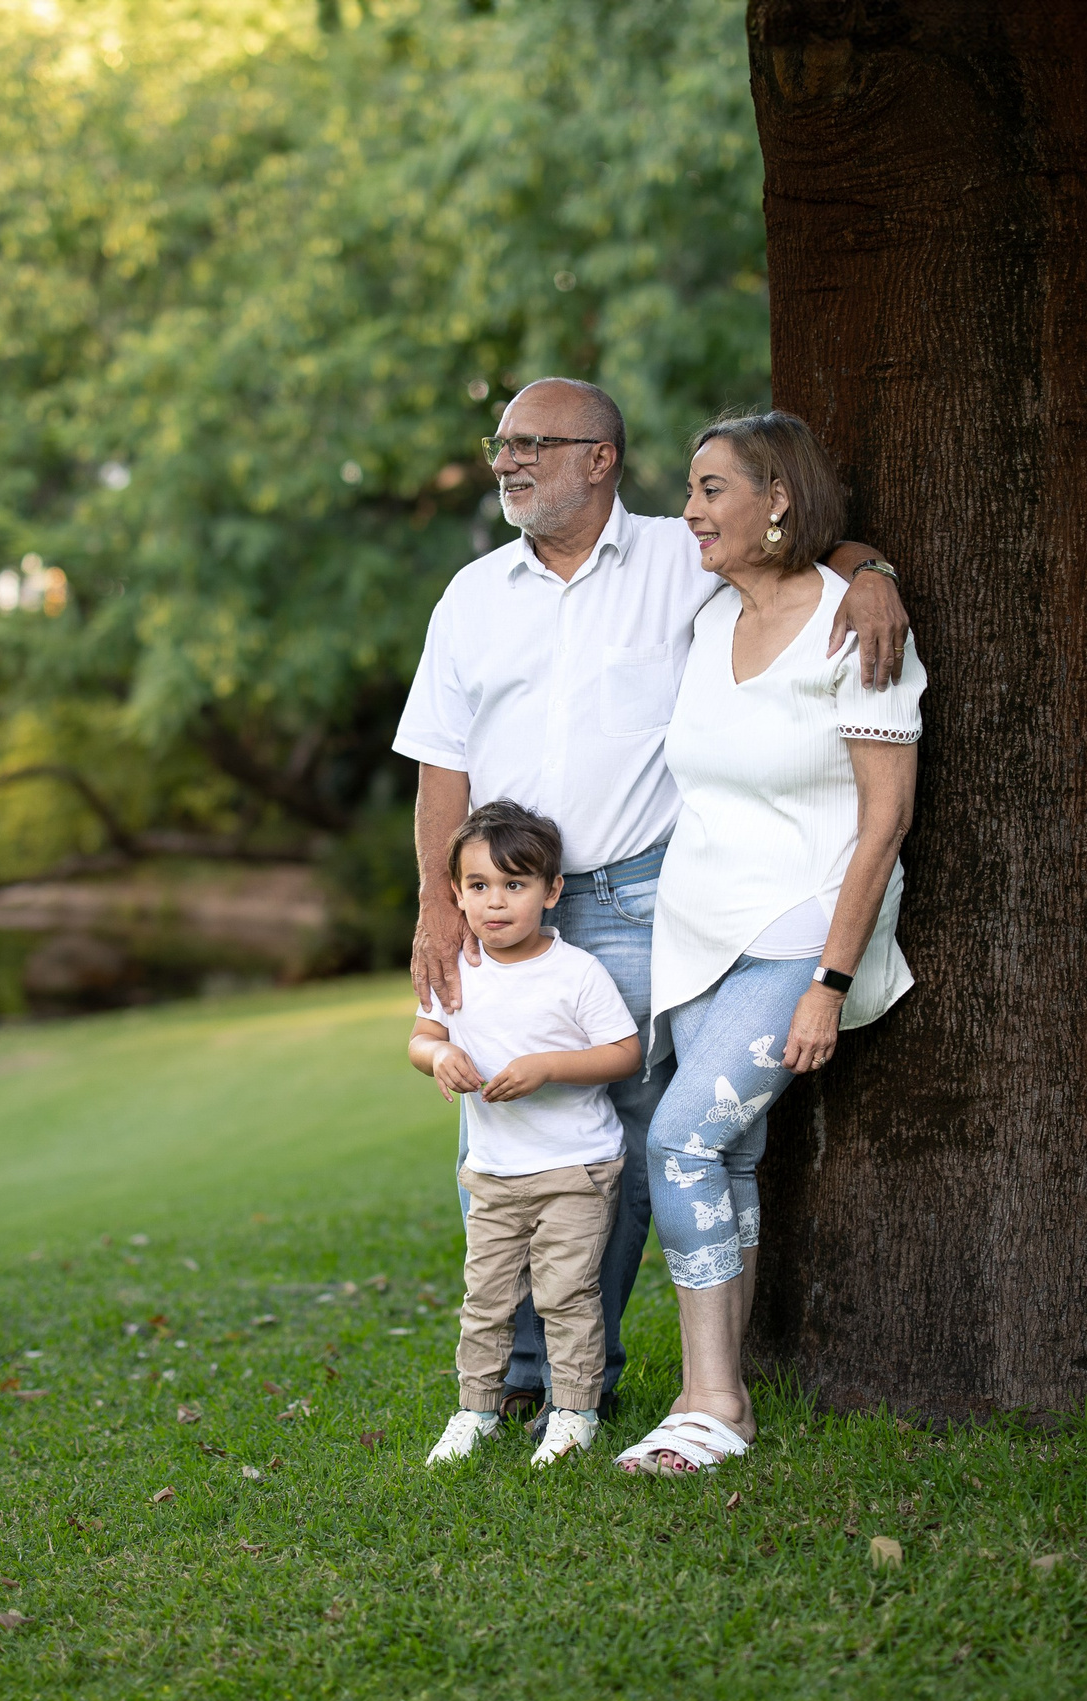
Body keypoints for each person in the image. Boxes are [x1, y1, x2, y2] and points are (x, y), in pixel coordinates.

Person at [393, 378, 911, 1436]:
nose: (507, 460)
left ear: (599, 458)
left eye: (533, 443)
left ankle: (583, 1370)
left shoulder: (687, 558)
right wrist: (437, 910)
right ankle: (519, 1369)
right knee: (494, 1123)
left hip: (641, 900)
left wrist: (875, 574)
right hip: (497, 913)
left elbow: (808, 555)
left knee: (624, 1142)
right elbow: (439, 769)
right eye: (502, 442)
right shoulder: (471, 595)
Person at [612, 409, 925, 1477]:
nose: (688, 510)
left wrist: (829, 981)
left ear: (776, 498)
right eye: (690, 490)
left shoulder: (858, 622)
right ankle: (718, 1386)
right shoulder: (707, 621)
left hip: (801, 930)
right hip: (698, 931)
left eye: (709, 490)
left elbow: (883, 820)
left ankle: (713, 1403)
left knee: (680, 1142)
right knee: (728, 1151)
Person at [410, 802, 642, 1467]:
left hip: (575, 1170)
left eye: (516, 885)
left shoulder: (575, 974)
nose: (496, 902)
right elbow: (423, 1036)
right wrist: (438, 1057)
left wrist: (548, 1068)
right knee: (484, 1300)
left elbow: (623, 1052)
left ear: (552, 891)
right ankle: (475, 1411)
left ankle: (574, 1411)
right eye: (479, 886)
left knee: (567, 1296)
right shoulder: (458, 969)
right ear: (455, 893)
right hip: (493, 1171)